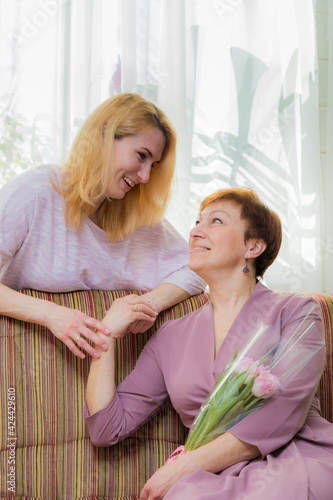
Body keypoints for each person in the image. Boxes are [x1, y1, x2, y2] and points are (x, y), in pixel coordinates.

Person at [84, 187, 333, 500]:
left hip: (298, 459)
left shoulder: (298, 312)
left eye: (215, 221)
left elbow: (283, 413)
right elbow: (107, 429)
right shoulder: (170, 336)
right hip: (208, 479)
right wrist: (105, 334)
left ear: (253, 246)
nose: (195, 232)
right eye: (196, 222)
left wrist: (181, 467)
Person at [0, 93, 205, 360]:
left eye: (152, 165)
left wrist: (149, 304)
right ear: (105, 134)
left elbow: (198, 268)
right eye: (141, 156)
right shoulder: (35, 193)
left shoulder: (135, 215)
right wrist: (51, 313)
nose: (145, 176)